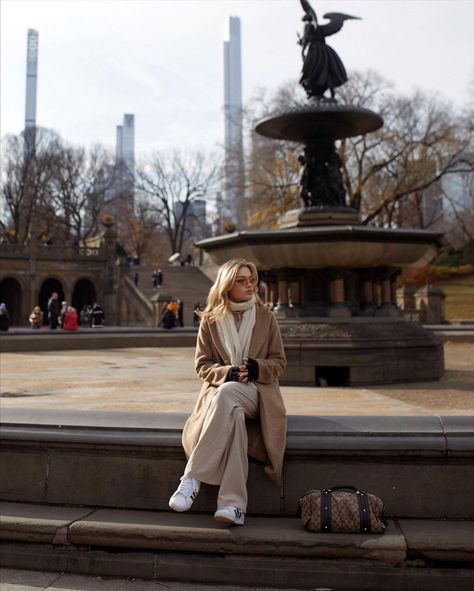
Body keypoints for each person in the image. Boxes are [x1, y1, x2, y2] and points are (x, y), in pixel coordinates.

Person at [169, 259, 287, 526]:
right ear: (226, 285)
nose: (249, 285)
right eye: (242, 280)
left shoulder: (266, 317)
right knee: (231, 411)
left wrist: (257, 368)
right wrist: (228, 373)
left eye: (252, 280)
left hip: (259, 395)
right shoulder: (210, 320)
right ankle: (233, 506)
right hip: (225, 396)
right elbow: (202, 365)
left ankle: (192, 478)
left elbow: (279, 362)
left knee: (228, 396)